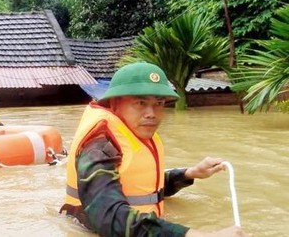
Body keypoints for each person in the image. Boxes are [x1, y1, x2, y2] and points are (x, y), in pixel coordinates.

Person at [60, 62, 250, 237]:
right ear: (114, 104)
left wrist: (190, 174)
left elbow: (145, 188)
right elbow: (109, 218)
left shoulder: (136, 132)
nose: (151, 114)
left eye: (158, 104)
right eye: (141, 103)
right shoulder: (99, 146)